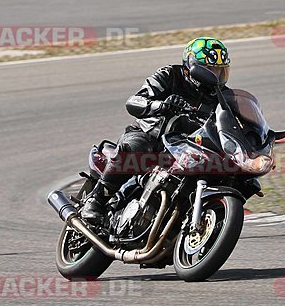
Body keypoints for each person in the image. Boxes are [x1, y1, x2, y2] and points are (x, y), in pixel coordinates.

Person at [81, 37, 231, 222]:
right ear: (193, 66)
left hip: (184, 147)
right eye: (211, 70)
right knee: (137, 148)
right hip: (150, 135)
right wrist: (161, 106)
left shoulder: (222, 96)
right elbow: (135, 101)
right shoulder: (170, 74)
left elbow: (235, 120)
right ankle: (96, 200)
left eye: (221, 70)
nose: (217, 76)